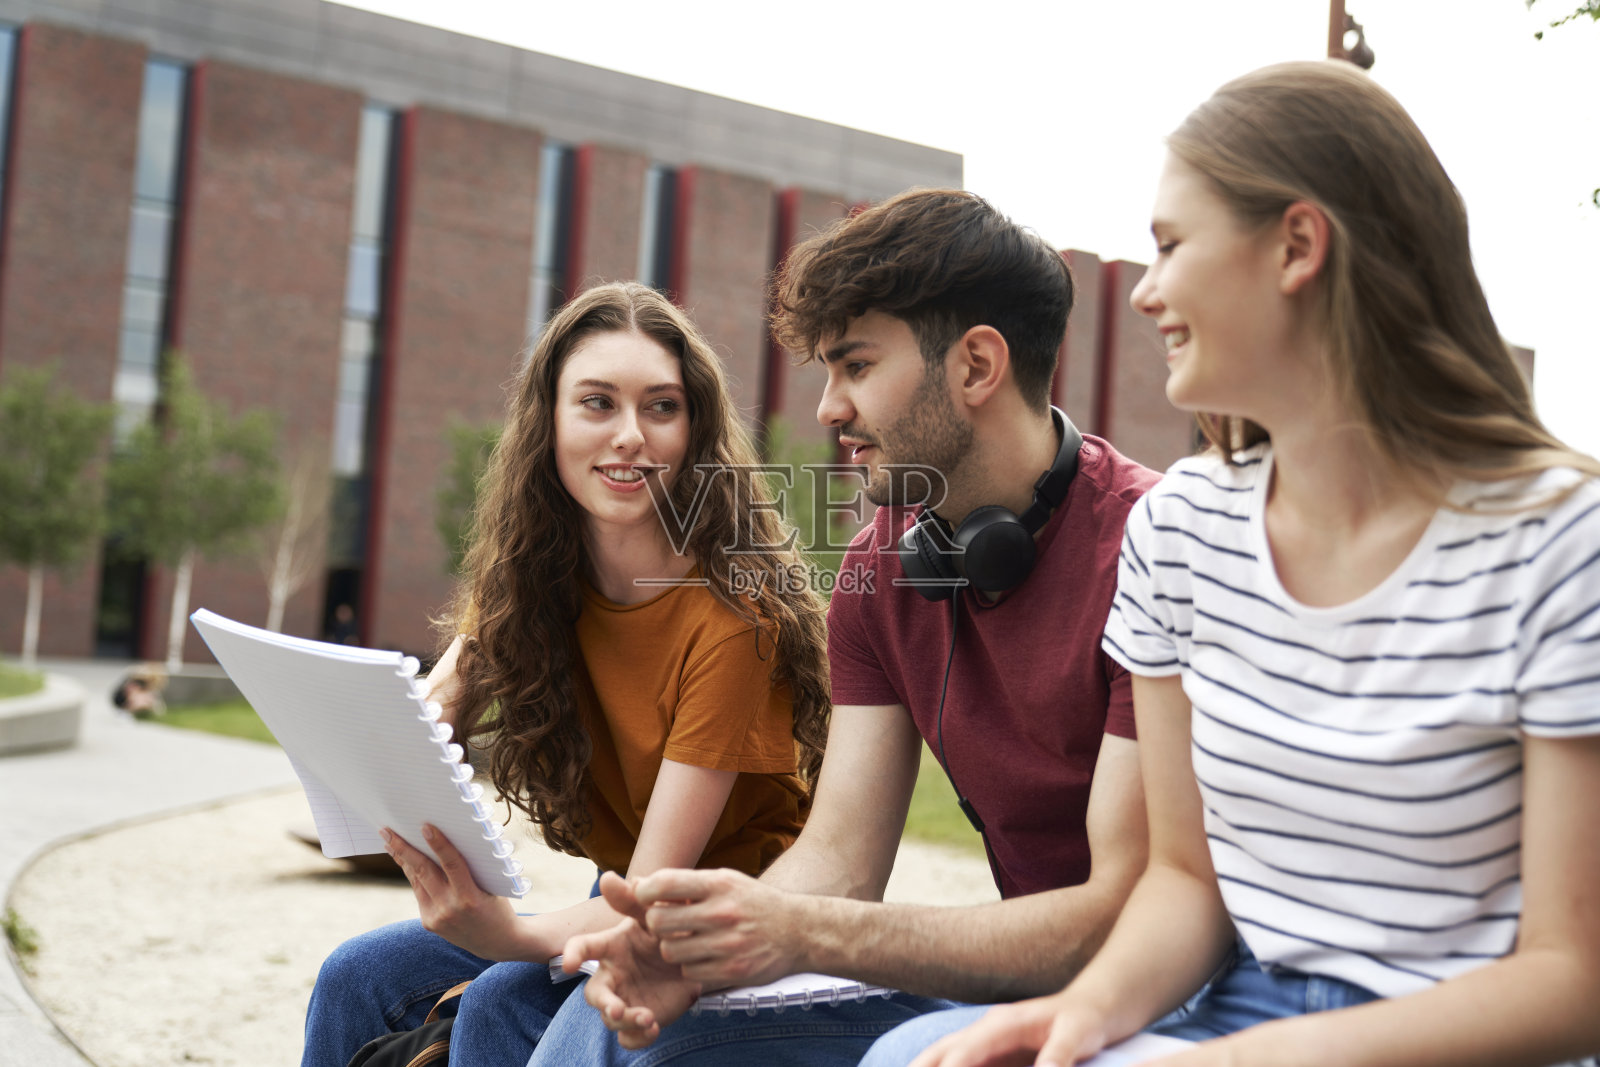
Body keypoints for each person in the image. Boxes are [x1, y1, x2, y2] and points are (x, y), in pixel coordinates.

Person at [902, 60, 1600, 1067]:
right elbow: (1183, 882)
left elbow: (1572, 981)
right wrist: (1077, 1015)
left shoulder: (1560, 542)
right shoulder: (1180, 531)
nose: (1144, 292)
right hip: (1239, 1005)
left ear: (1297, 246)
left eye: (1171, 245)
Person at [528, 189, 1162, 1067]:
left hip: (1159, 982)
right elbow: (838, 858)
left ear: (976, 366)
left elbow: (1127, 914)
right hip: (1015, 977)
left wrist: (795, 930)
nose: (828, 408)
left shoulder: (1153, 551)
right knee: (578, 1018)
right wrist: (703, 945)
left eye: (855, 367)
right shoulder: (879, 567)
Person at [299, 282, 831, 1067]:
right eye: (596, 403)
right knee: (357, 976)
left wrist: (503, 934)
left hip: (723, 927)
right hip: (613, 902)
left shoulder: (734, 623)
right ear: (548, 423)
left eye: (660, 407)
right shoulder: (533, 579)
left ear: (695, 431)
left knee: (499, 1002)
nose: (630, 436)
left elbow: (647, 902)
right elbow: (418, 724)